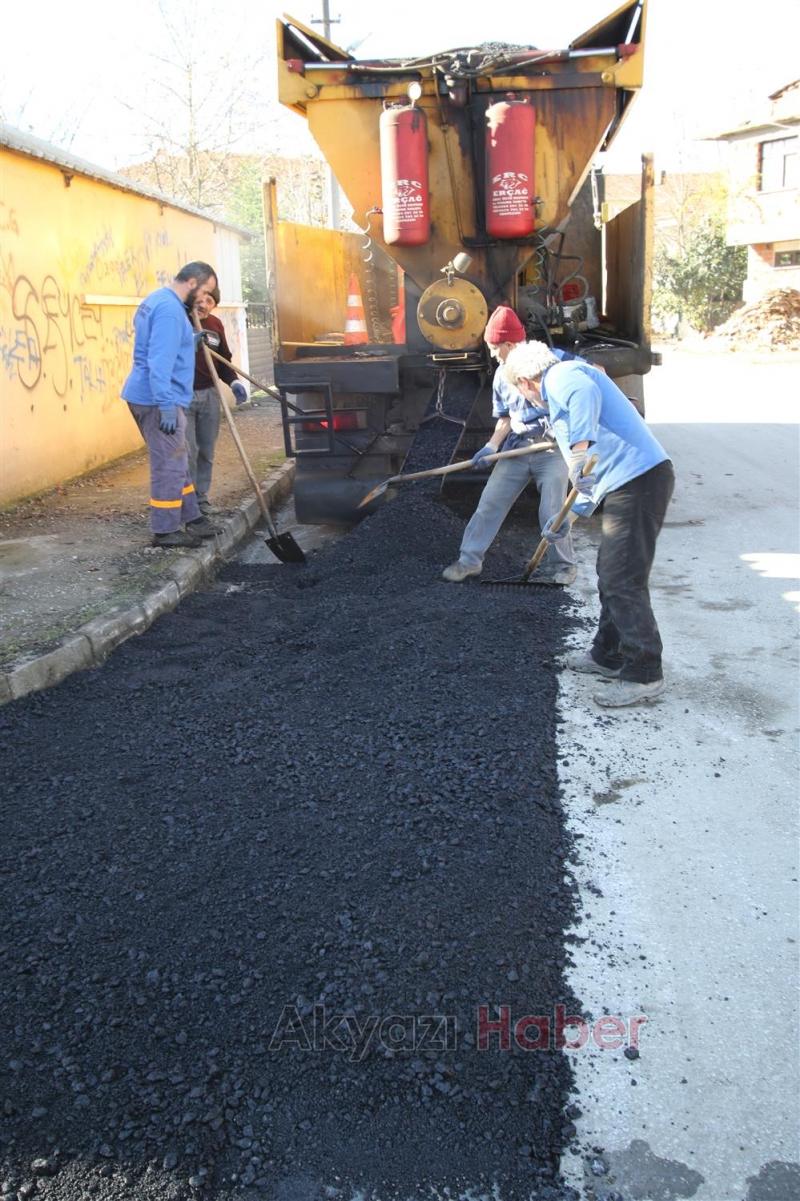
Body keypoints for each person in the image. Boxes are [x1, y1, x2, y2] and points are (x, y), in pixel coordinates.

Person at [504, 340, 675, 709]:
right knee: (610, 572)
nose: (529, 401)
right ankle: (607, 655)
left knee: (621, 578)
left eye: (521, 392)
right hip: (622, 482)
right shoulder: (559, 397)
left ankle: (645, 672)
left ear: (524, 381)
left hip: (641, 479)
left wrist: (579, 451)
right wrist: (567, 519)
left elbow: (584, 397)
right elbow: (587, 482)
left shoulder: (564, 375)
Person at [442, 305, 577, 586]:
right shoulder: (502, 376)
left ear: (509, 344)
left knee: (552, 510)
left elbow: (591, 376)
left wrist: (564, 429)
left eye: (494, 348)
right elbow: (505, 417)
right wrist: (492, 447)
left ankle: (564, 566)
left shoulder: (551, 362)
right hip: (516, 448)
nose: (491, 354)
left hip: (550, 450)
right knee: (489, 503)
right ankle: (469, 562)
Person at [121, 262, 221, 548]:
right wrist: (165, 405)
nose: (204, 300)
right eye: (204, 292)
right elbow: (158, 360)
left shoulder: (157, 300)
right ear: (191, 282)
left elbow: (160, 343)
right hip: (157, 399)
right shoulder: (169, 311)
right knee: (169, 464)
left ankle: (194, 517)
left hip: (150, 394)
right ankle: (165, 530)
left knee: (178, 460)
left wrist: (190, 341)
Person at [186, 285, 247, 516]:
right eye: (200, 299)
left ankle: (201, 498)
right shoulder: (178, 322)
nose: (203, 304)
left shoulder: (215, 325)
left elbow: (223, 361)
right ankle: (188, 503)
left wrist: (234, 382)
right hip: (182, 395)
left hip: (209, 394)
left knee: (206, 449)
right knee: (187, 451)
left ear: (214, 305)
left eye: (210, 301)